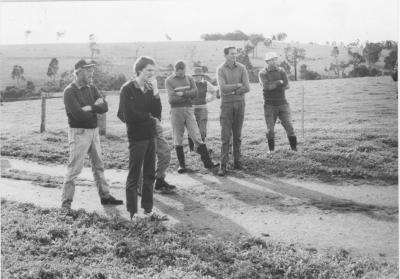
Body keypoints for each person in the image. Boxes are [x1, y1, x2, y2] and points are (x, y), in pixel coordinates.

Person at [61, 59, 123, 209]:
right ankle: (66, 203)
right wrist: (95, 108)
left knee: (98, 166)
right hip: (79, 133)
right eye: (88, 70)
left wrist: (89, 108)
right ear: (78, 72)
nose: (91, 73)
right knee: (75, 168)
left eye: (92, 70)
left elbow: (105, 107)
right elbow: (79, 116)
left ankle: (105, 197)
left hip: (94, 132)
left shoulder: (92, 88)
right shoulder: (69, 91)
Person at [117, 56, 167, 221]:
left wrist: (156, 93)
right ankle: (133, 213)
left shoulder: (149, 87)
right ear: (139, 70)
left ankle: (148, 211)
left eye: (153, 70)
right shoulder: (127, 89)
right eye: (148, 70)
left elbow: (157, 113)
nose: (151, 74)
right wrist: (148, 117)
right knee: (134, 175)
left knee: (149, 175)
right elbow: (128, 115)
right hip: (137, 137)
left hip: (150, 135)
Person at [165, 61, 219, 173]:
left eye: (184, 71)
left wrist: (183, 94)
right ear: (175, 70)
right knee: (178, 137)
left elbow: (195, 93)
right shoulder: (169, 80)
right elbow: (172, 99)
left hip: (189, 109)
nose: (182, 74)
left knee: (196, 135)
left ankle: (208, 164)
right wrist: (188, 96)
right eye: (179, 72)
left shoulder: (189, 78)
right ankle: (182, 165)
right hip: (176, 111)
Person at [216, 46, 250, 176]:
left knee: (237, 135)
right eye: (231, 54)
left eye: (235, 54)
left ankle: (237, 162)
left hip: (240, 104)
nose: (234, 56)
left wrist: (235, 91)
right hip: (226, 105)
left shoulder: (242, 68)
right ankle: (223, 165)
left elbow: (247, 87)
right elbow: (223, 89)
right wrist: (237, 86)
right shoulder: (220, 69)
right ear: (225, 55)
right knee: (225, 136)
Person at [258, 52, 297, 153]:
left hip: (283, 103)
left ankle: (294, 149)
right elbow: (267, 87)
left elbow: (287, 86)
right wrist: (279, 82)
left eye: (275, 59)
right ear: (267, 62)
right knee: (270, 129)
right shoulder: (263, 73)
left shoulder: (281, 71)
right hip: (269, 105)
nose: (274, 61)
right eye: (271, 60)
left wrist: (273, 85)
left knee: (289, 126)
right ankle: (271, 150)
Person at [187, 67, 220, 153]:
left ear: (202, 75)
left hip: (203, 109)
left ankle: (202, 149)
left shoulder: (206, 83)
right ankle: (191, 150)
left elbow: (214, 92)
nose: (197, 77)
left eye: (199, 75)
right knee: (191, 128)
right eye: (195, 76)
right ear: (193, 76)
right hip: (191, 109)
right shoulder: (190, 84)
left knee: (202, 129)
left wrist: (208, 100)